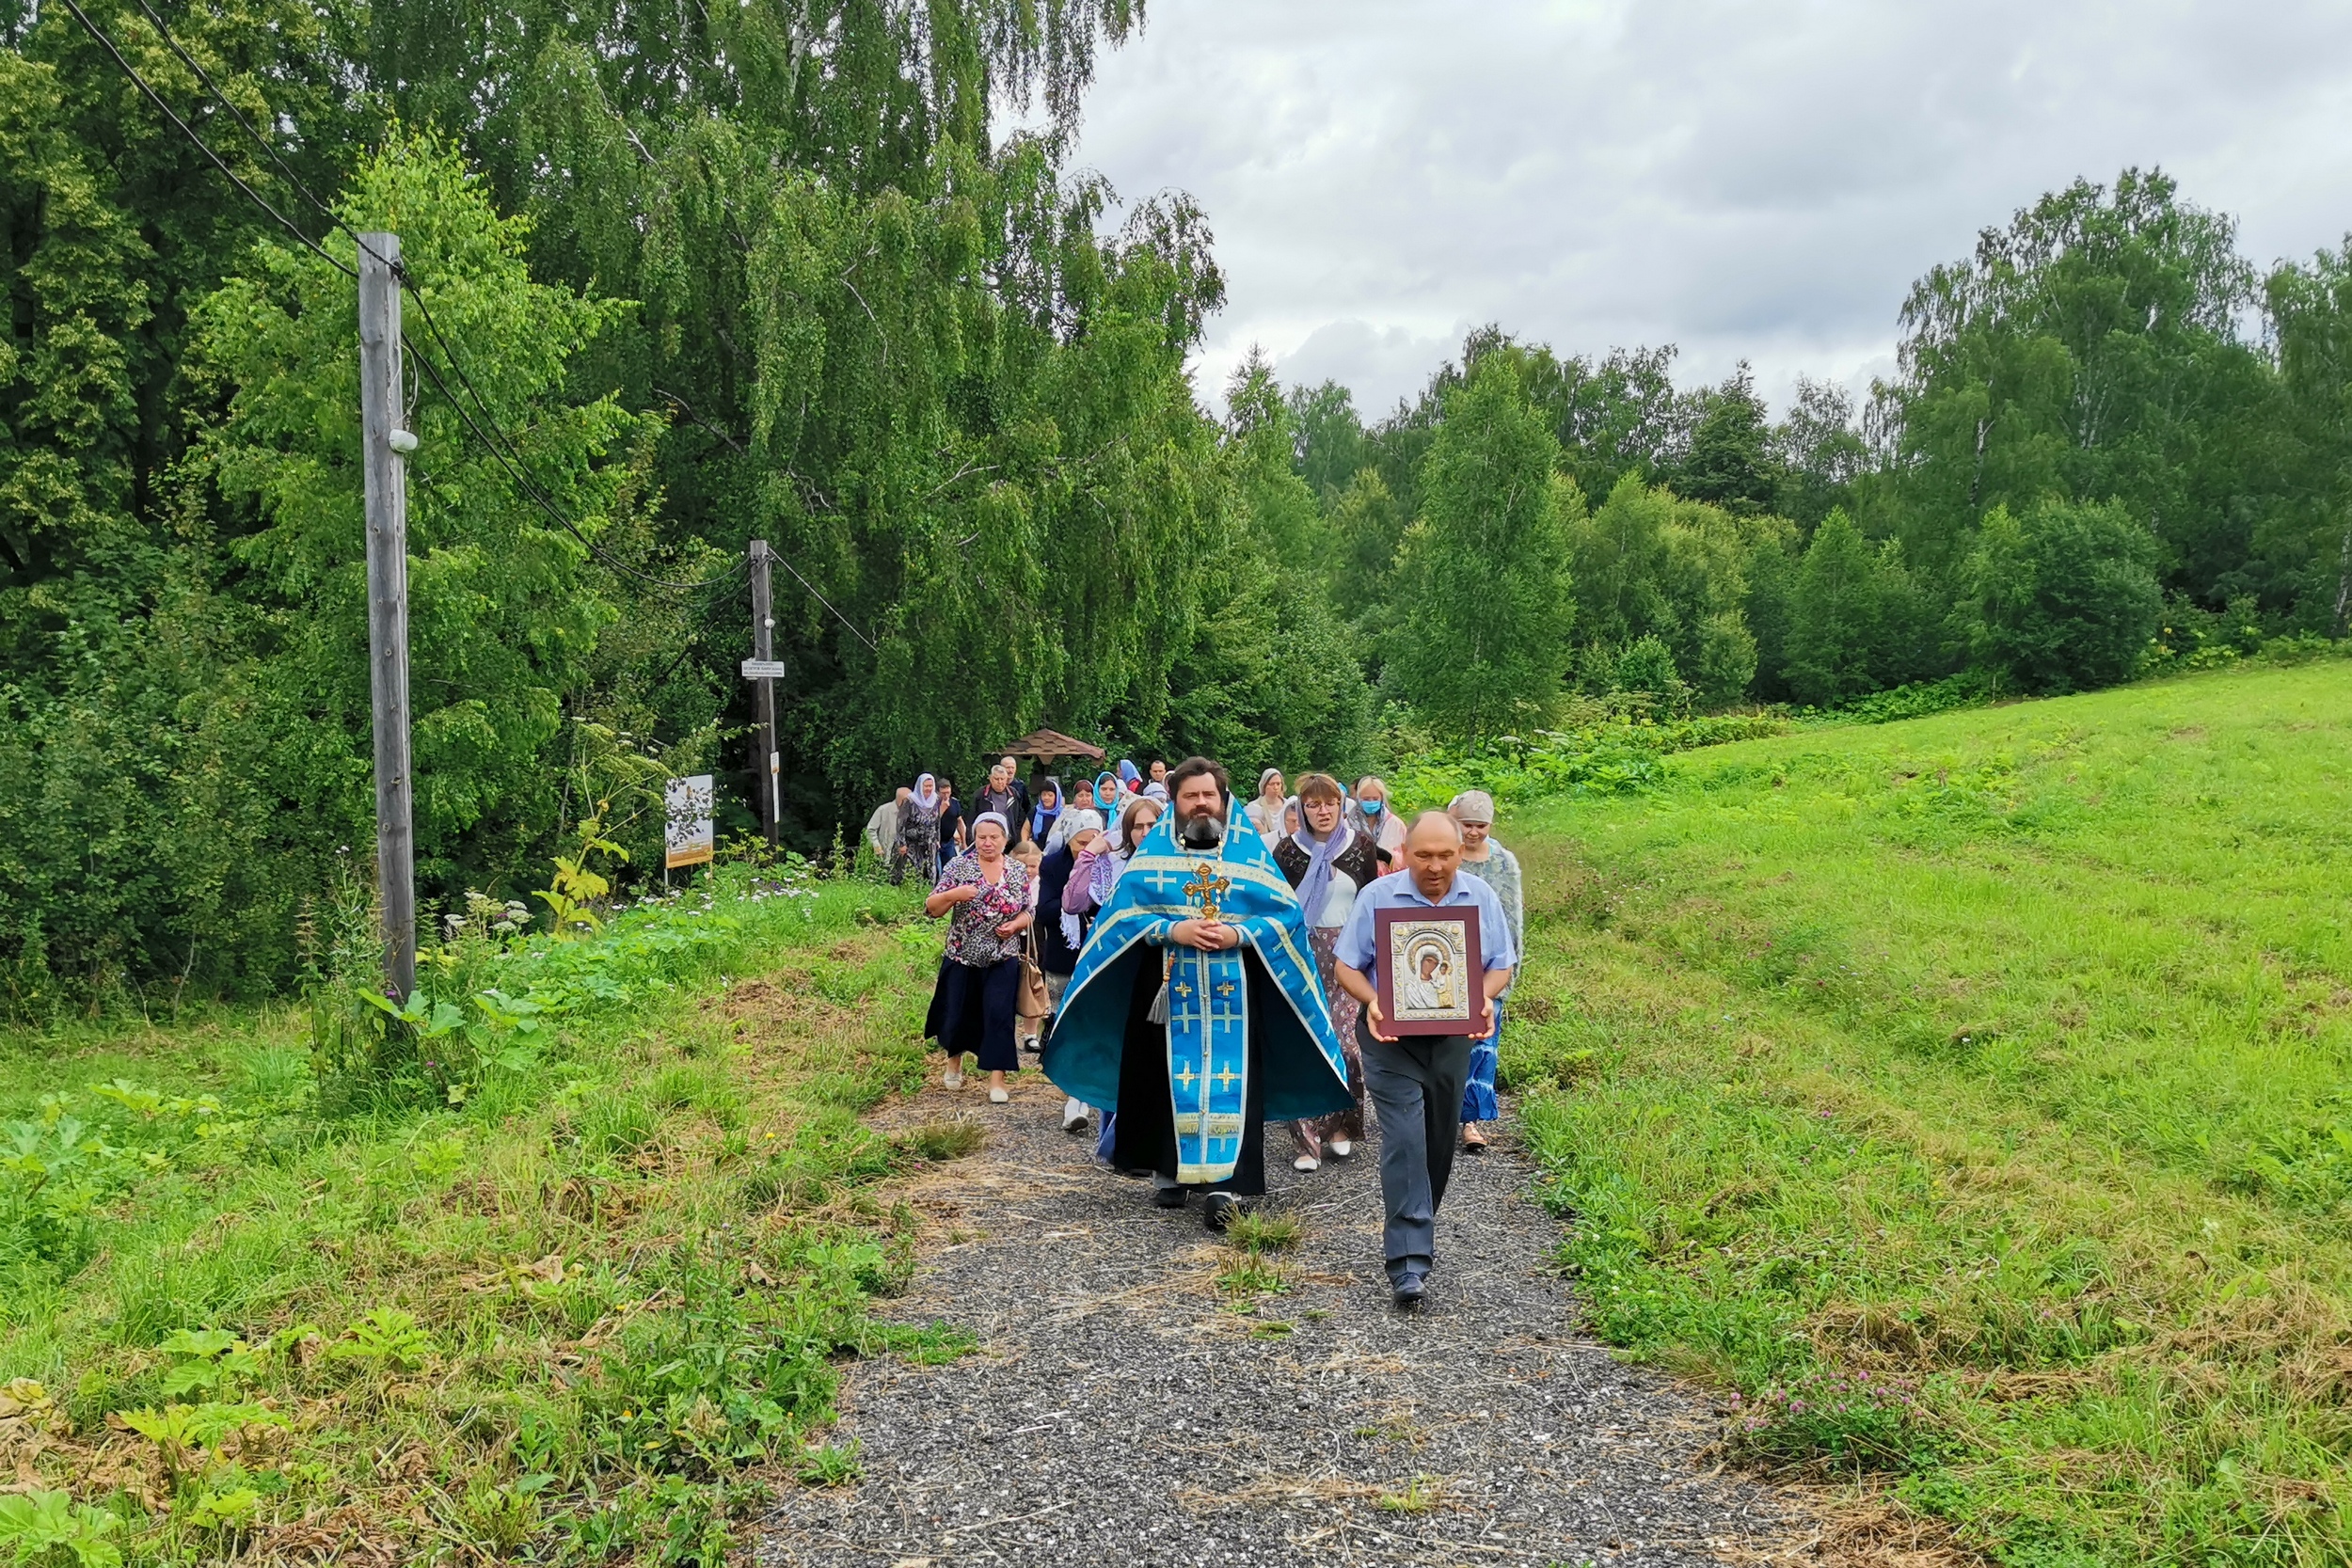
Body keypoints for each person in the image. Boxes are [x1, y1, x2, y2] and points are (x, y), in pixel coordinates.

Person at [1044, 757, 1350, 1232]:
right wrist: (1173, 928)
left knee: (1233, 1080)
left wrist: (1240, 936)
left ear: (1223, 799)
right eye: (1191, 796)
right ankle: (1170, 1174)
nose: (1201, 803)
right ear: (1177, 802)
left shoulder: (1248, 855)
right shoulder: (1152, 856)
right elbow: (1119, 919)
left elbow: (1287, 915)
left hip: (1235, 990)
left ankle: (1227, 1184)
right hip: (1166, 986)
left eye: (1209, 794)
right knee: (1163, 1076)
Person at [1336, 811, 1517, 1307]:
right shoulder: (1377, 897)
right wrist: (1372, 1001)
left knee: (1437, 1142)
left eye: (1445, 855)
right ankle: (1409, 1261)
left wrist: (1482, 996)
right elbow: (1346, 964)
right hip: (1389, 1040)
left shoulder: (1480, 898)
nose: (1434, 866)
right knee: (1405, 1141)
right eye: (1423, 855)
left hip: (1452, 1040)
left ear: (1461, 853)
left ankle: (1416, 1216)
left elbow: (1501, 964)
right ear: (1404, 854)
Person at [1269, 772, 1379, 1172]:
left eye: (1329, 802)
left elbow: (1371, 901)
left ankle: (1339, 1126)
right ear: (1301, 809)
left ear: (1340, 805)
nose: (1322, 811)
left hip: (1348, 957)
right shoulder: (1288, 850)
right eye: (1313, 804)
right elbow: (1276, 905)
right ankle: (1305, 1139)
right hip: (1301, 954)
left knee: (1348, 1047)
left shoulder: (1360, 846)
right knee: (1303, 1043)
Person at [1061, 794, 1163, 1154]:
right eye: (1138, 826)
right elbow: (1072, 904)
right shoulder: (1113, 866)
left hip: (1162, 966)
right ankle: (1108, 1129)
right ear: (1127, 832)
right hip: (1115, 961)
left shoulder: (1176, 865)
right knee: (1113, 1042)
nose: (1146, 832)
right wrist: (1091, 853)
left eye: (1153, 825)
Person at [922, 813, 1032, 1103]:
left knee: (999, 1016)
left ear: (1005, 839)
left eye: (994, 837)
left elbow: (1028, 911)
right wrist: (957, 894)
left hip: (1002, 956)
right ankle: (954, 1061)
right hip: (962, 955)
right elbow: (932, 907)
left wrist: (1015, 925)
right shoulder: (959, 866)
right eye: (981, 837)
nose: (987, 843)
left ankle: (997, 1080)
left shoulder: (1017, 870)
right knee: (958, 1012)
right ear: (974, 838)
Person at [1449, 789, 1523, 1154]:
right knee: (1447, 1044)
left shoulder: (1504, 862)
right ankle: (1441, 1112)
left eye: (1480, 826)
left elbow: (1513, 919)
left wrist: (1511, 970)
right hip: (1447, 962)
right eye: (1467, 825)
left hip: (1490, 965)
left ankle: (1471, 1122)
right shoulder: (1448, 857)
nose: (1473, 832)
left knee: (1483, 1046)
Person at [1349, 776, 1407, 872]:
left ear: (1381, 799)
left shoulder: (1395, 824)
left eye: (1375, 798)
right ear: (1359, 799)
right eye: (1366, 799)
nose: (1371, 802)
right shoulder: (1349, 824)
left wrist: (1387, 858)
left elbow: (1406, 858)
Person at [896, 774, 944, 885]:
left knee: (931, 867)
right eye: (926, 786)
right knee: (914, 867)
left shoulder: (936, 799)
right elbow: (900, 823)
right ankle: (913, 889)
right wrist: (901, 843)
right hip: (913, 841)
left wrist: (937, 839)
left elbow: (937, 821)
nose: (928, 789)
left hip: (930, 839)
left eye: (931, 786)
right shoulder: (910, 801)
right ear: (920, 786)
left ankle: (930, 890)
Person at [1045, 778, 1097, 851]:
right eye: (1080, 796)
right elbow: (1054, 834)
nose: (1084, 799)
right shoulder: (1067, 813)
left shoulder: (1097, 814)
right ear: (1075, 798)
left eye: (1088, 795)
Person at [866, 786, 910, 865]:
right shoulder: (883, 810)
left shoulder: (911, 812)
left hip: (904, 855)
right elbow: (870, 830)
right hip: (884, 854)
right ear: (900, 800)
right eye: (908, 800)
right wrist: (877, 846)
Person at [1244, 768, 1287, 841]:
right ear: (1264, 785)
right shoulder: (1253, 807)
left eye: (1278, 784)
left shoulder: (1288, 805)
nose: (1276, 788)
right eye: (1272, 784)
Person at [1028, 779, 1063, 848]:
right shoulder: (1035, 811)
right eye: (1044, 795)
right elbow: (1025, 830)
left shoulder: (1063, 813)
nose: (1046, 798)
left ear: (1057, 797)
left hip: (1059, 852)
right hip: (1037, 851)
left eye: (1050, 795)